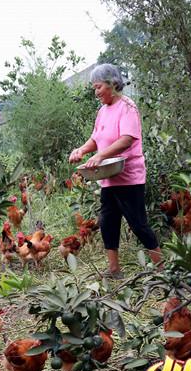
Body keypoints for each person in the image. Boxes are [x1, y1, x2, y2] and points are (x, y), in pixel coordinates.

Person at [69, 63, 162, 278]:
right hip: (108, 179)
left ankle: (162, 269)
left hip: (129, 178)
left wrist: (100, 156)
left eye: (98, 87)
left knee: (138, 225)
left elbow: (127, 139)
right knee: (108, 223)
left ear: (112, 83)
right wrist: (82, 150)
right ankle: (113, 269)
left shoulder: (128, 107)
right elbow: (96, 138)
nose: (96, 92)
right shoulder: (103, 110)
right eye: (94, 88)